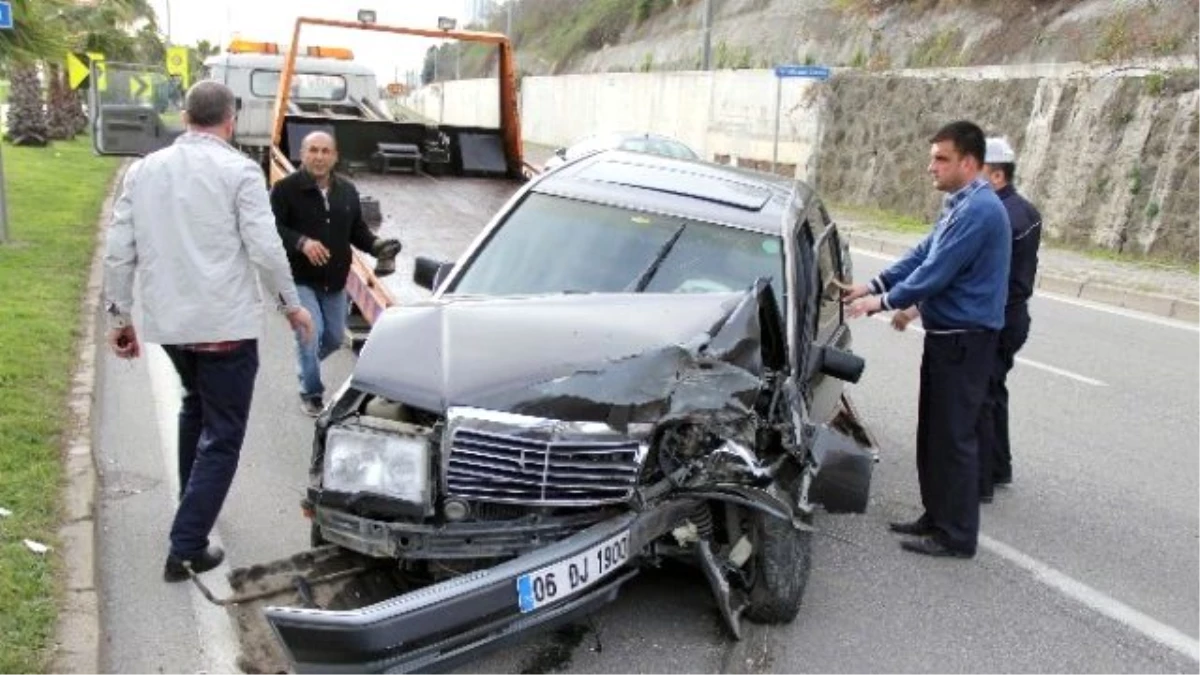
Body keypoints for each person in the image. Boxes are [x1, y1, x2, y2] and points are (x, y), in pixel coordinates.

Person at [103, 81, 315, 582]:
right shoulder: (239, 171)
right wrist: (292, 306)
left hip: (171, 326)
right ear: (230, 119)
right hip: (224, 326)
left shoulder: (144, 170)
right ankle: (186, 548)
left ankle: (191, 504)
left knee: (195, 405)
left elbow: (119, 246)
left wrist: (119, 317)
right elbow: (264, 247)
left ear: (184, 115)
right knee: (223, 436)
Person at [842, 120, 1011, 559]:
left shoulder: (979, 210)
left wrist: (880, 303)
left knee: (953, 437)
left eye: (941, 158)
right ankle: (937, 517)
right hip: (948, 337)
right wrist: (873, 283)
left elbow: (939, 270)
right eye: (932, 157)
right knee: (935, 434)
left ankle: (955, 534)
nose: (931, 167)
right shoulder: (962, 203)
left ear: (969, 163)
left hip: (965, 341)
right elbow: (925, 252)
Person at [890, 137, 1043, 503]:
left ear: (996, 174)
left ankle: (981, 482)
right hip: (1010, 314)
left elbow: (958, 273)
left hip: (992, 319)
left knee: (976, 404)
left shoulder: (993, 214)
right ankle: (998, 466)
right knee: (991, 393)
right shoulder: (1023, 210)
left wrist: (912, 306)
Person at [270, 131, 401, 416]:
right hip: (299, 279)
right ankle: (312, 393)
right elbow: (271, 229)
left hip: (335, 282)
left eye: (325, 151)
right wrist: (301, 242)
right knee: (310, 332)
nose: (319, 157)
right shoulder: (284, 190)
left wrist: (378, 246)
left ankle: (307, 364)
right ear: (302, 154)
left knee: (331, 339)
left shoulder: (347, 191)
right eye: (313, 150)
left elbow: (357, 232)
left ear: (335, 156)